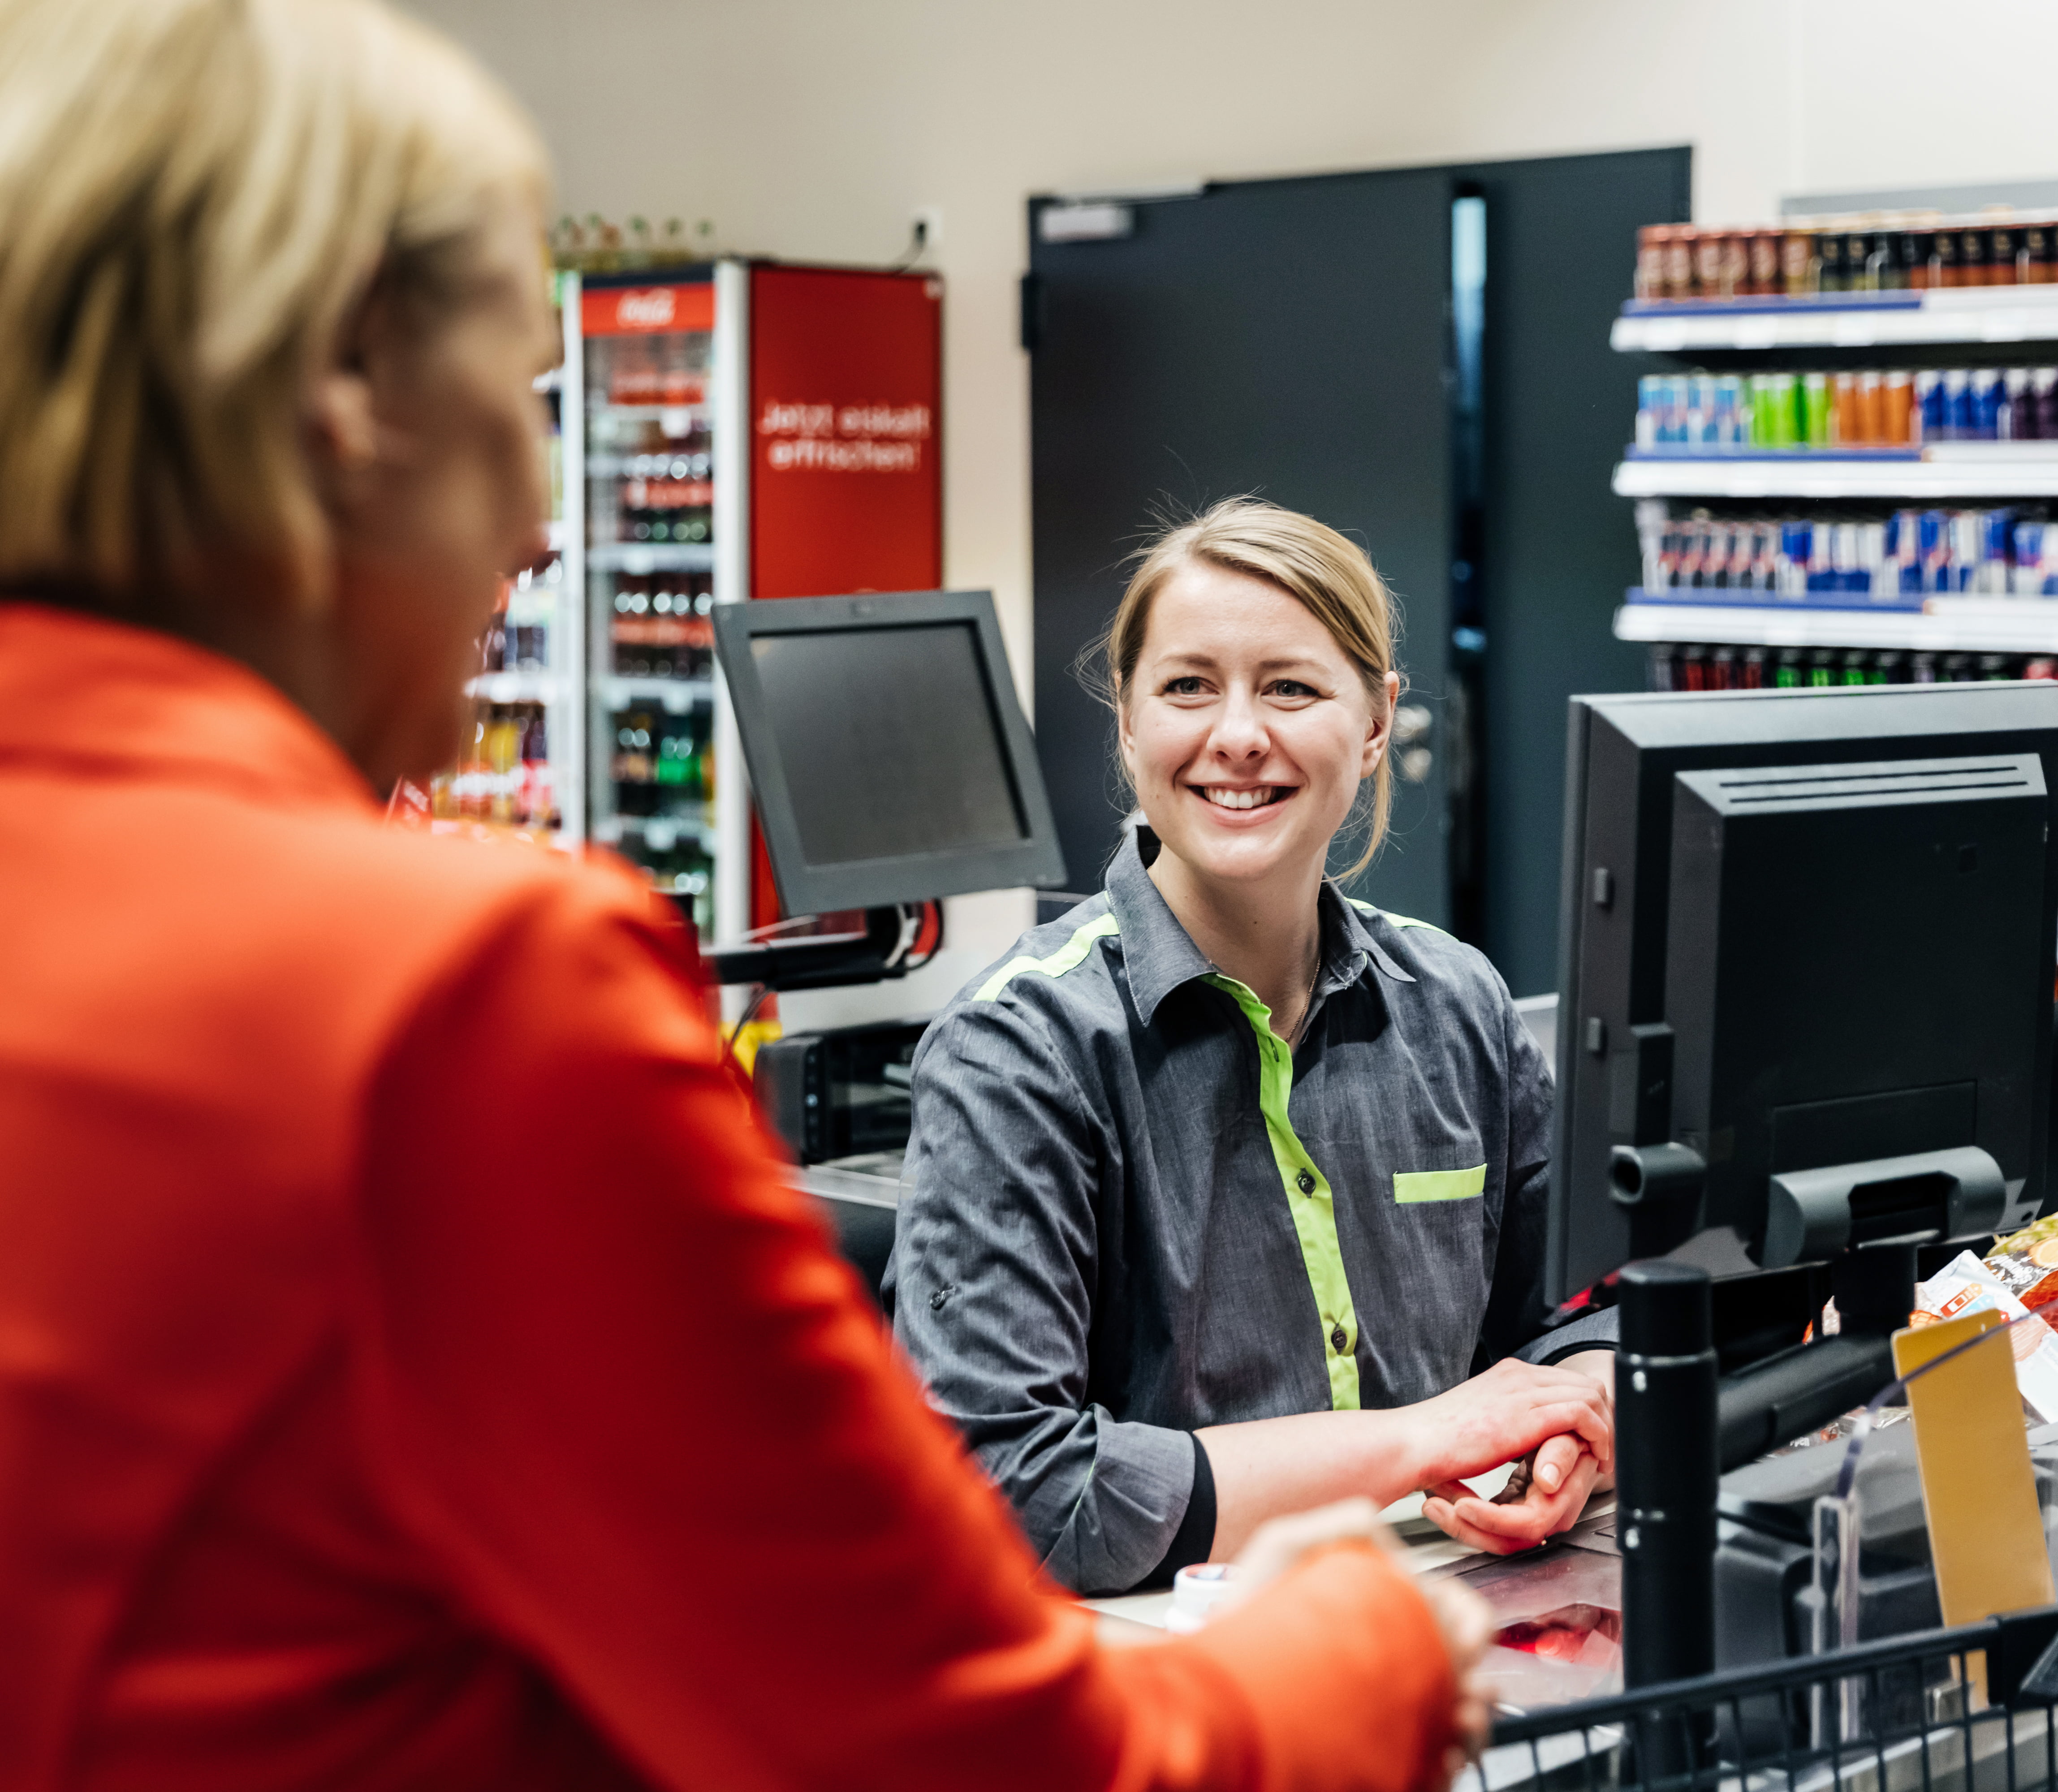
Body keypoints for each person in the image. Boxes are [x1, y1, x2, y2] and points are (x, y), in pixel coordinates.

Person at [0, 3, 1488, 1788]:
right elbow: (957, 1754)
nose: (546, 524)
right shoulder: (450, 992)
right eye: (518, 408)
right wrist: (1364, 1642)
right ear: (340, 406)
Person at [890, 500, 1618, 1599]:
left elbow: (1581, 1316)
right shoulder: (1019, 1052)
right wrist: (1425, 1438)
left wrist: (1579, 1423)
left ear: (1375, 723)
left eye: (1290, 686)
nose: (1238, 733)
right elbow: (1005, 1489)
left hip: (1447, 1638)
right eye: (1188, 687)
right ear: (1129, 724)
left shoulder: (1458, 1004)